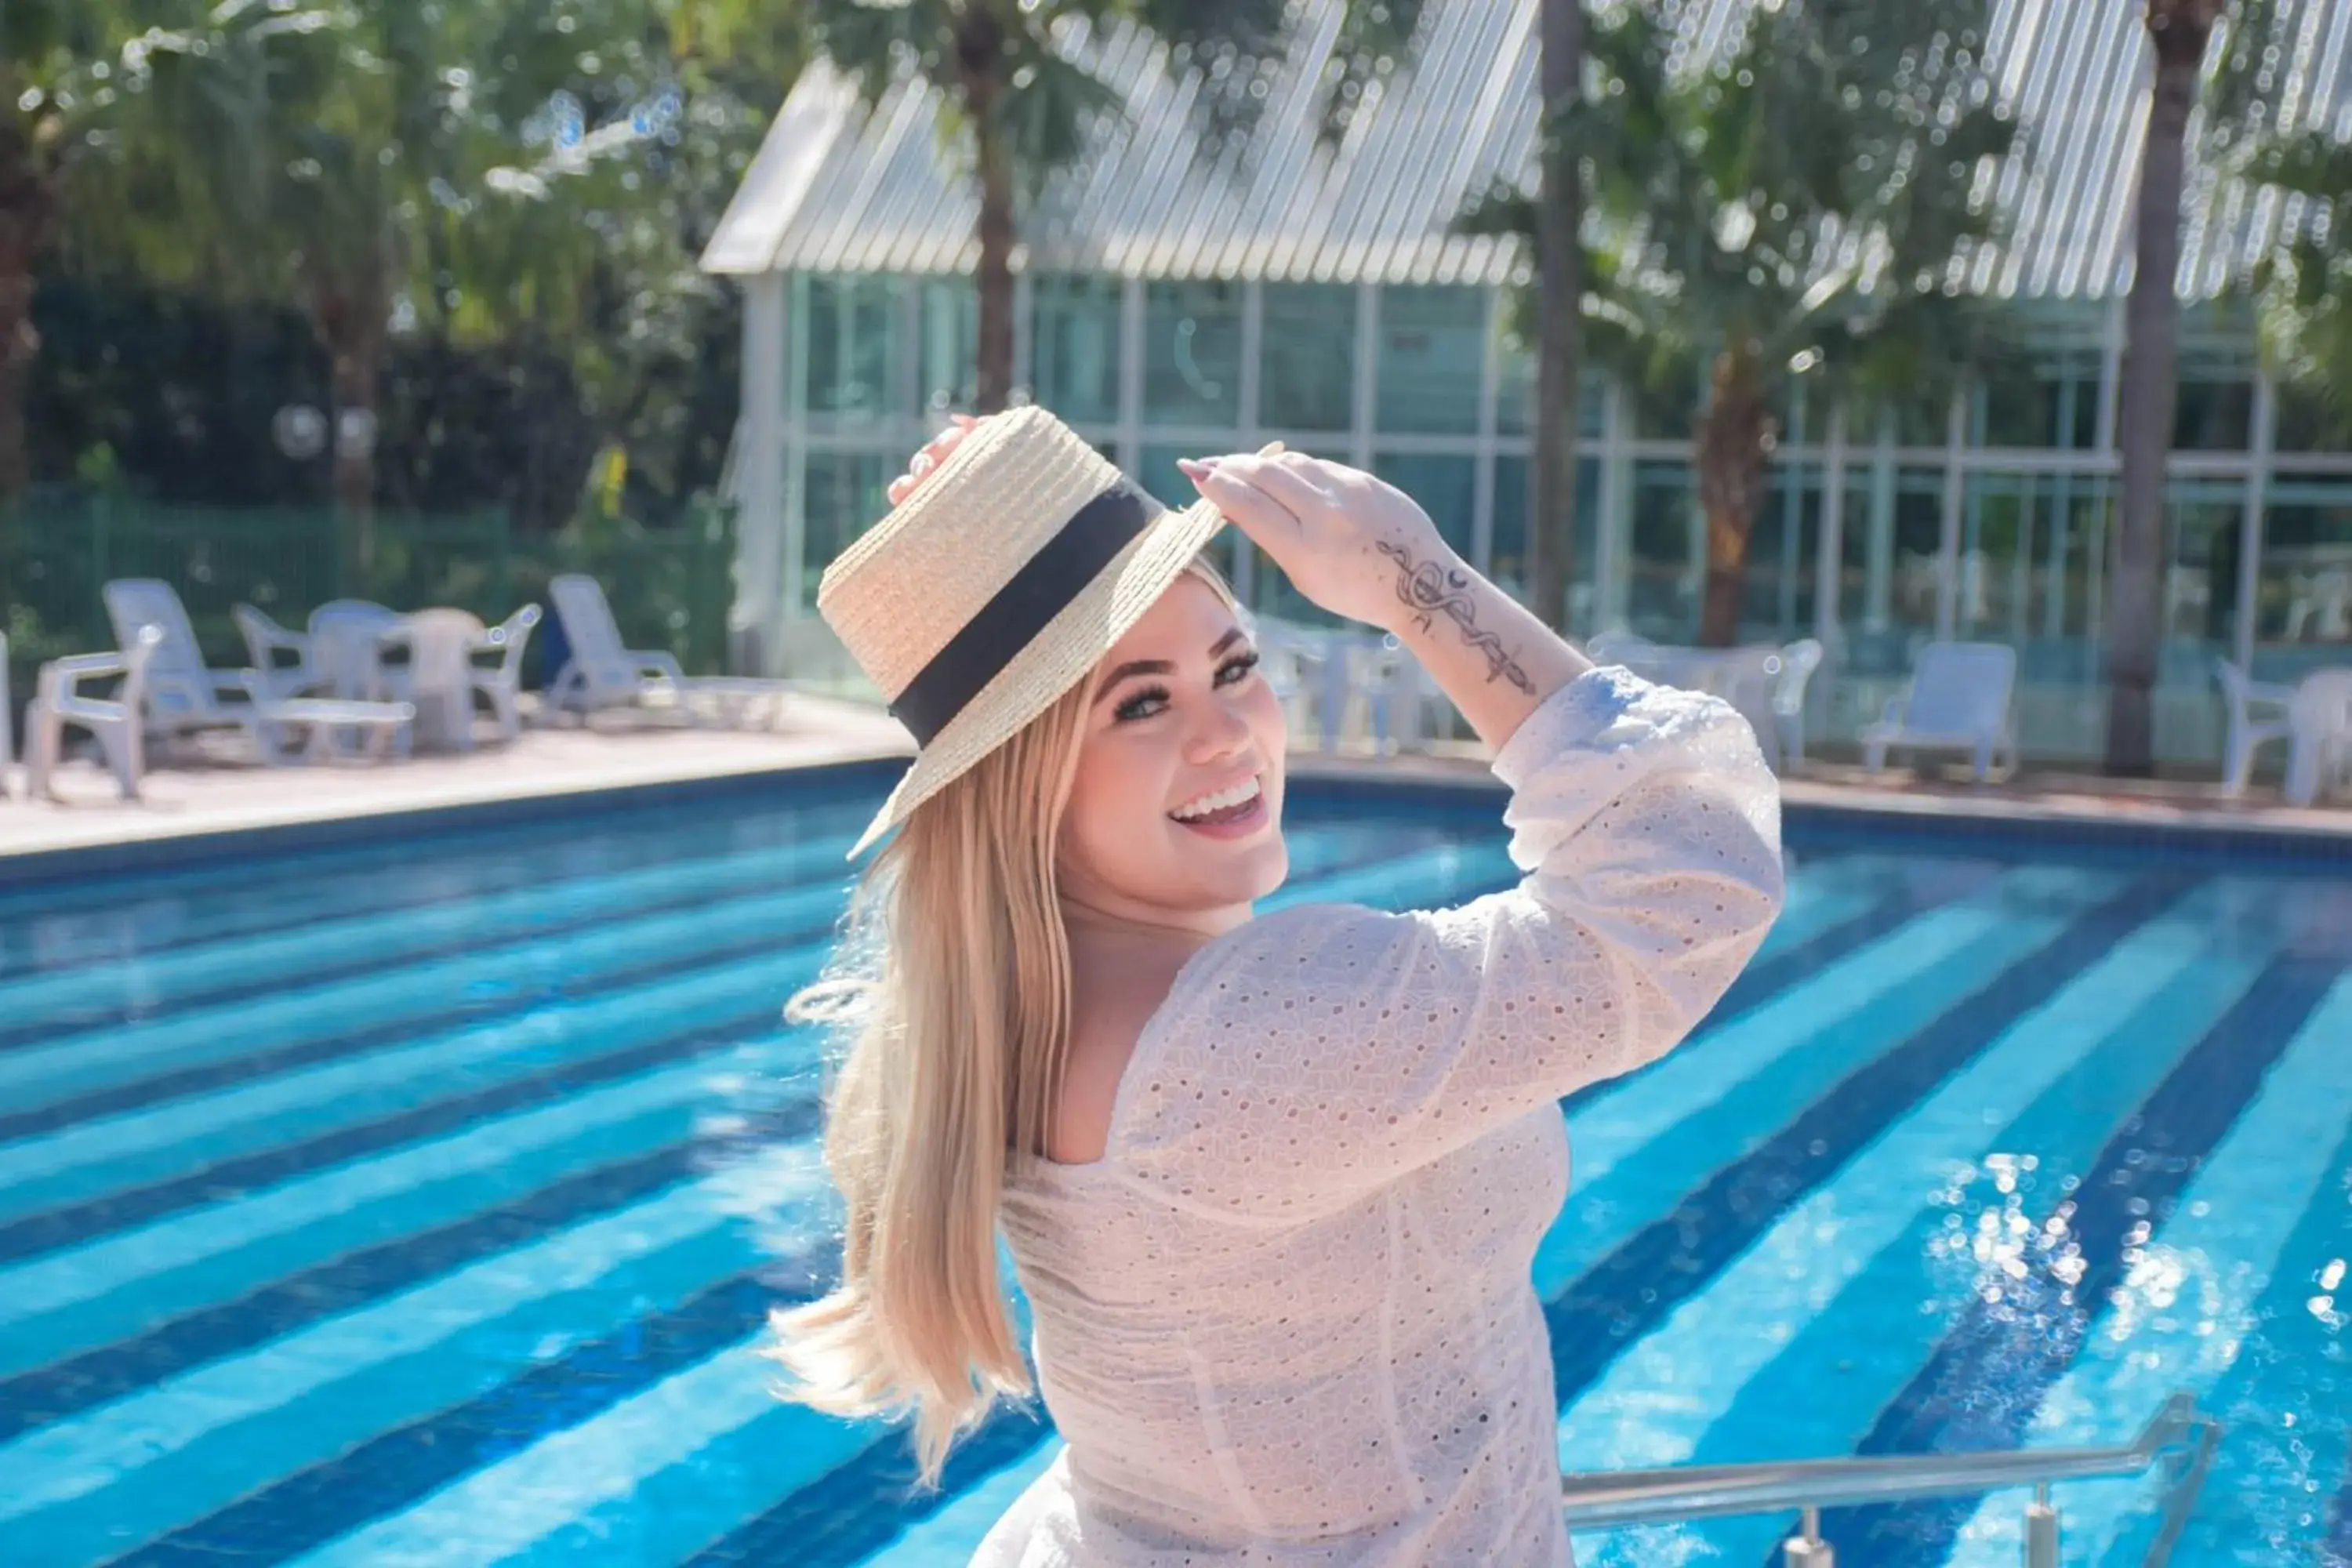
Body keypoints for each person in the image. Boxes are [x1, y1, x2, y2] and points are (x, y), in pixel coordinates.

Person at [774, 405, 1785, 1565]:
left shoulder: (1023, 1008)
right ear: (1022, 783)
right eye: (1139, 702)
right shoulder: (1243, 1040)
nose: (1226, 736)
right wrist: (1416, 576)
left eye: (1234, 665)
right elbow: (1683, 873)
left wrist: (997, 532)